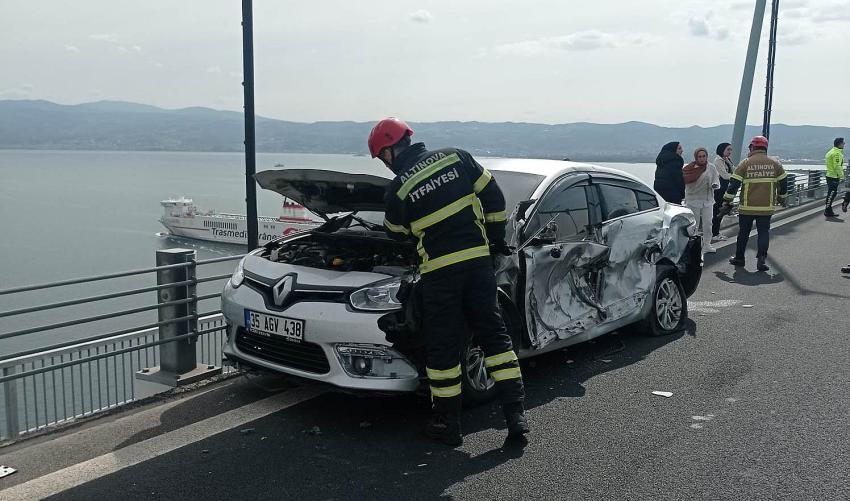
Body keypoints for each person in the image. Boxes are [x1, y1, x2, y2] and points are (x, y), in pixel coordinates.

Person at [368, 117, 527, 446]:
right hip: (478, 267)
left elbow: (395, 235)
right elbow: (494, 200)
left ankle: (448, 424)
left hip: (439, 274)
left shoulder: (399, 189)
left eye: (383, 157)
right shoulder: (458, 157)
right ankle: (515, 417)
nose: (385, 164)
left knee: (442, 348)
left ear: (391, 151)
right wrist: (494, 241)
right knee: (495, 338)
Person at [723, 135, 787, 272]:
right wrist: (782, 197)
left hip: (747, 207)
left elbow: (733, 185)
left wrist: (727, 200)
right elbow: (784, 182)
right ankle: (761, 259)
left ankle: (739, 259)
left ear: (752, 147)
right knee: (763, 232)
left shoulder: (745, 163)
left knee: (743, 233)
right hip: (766, 207)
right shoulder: (775, 163)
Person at [683, 147, 720, 253]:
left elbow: (716, 179)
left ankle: (707, 244)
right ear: (696, 157)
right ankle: (693, 246)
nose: (702, 158)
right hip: (693, 200)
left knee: (708, 224)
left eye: (704, 156)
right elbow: (686, 181)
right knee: (694, 224)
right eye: (699, 156)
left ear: (707, 156)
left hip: (708, 200)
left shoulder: (711, 167)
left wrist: (715, 185)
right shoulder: (690, 168)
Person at [712, 142, 734, 240]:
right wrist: (736, 177)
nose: (730, 152)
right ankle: (714, 233)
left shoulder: (726, 160)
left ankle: (716, 232)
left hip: (726, 188)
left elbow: (733, 170)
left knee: (722, 210)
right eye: (728, 149)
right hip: (719, 189)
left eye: (731, 150)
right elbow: (724, 175)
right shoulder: (718, 161)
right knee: (718, 211)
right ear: (722, 150)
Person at [824, 137, 845, 217]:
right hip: (833, 177)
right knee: (832, 194)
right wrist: (842, 176)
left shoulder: (830, 152)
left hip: (829, 175)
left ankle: (828, 210)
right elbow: (837, 166)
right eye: (843, 143)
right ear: (839, 144)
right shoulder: (837, 153)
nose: (844, 144)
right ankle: (827, 211)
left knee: (831, 193)